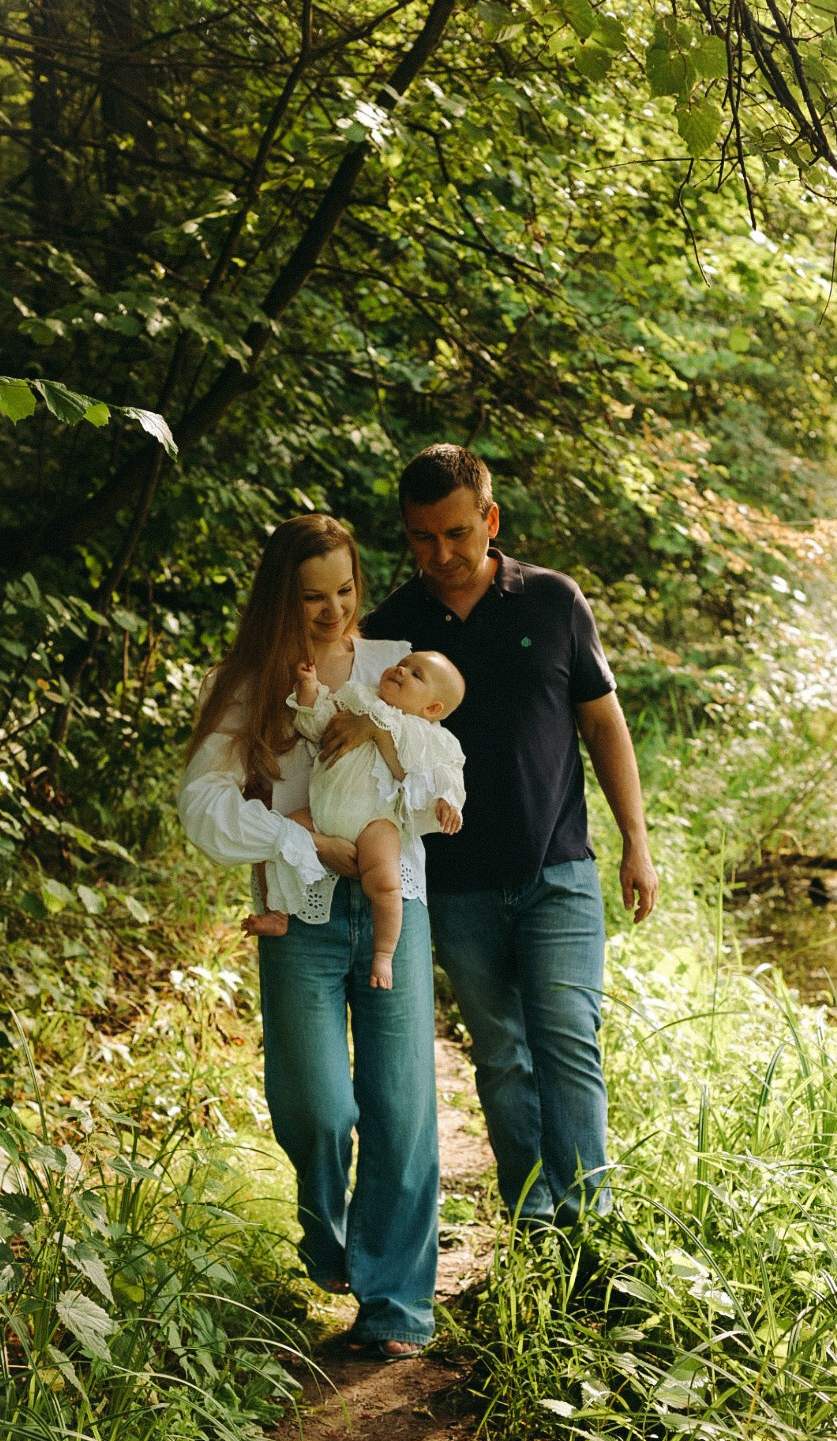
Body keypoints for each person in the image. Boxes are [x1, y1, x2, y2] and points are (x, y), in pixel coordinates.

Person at [325, 445, 659, 1227]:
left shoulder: (552, 600)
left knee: (568, 1041)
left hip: (559, 867)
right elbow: (346, 733)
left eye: (456, 533)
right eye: (421, 538)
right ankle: (534, 1225)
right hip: (456, 882)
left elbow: (602, 721)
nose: (440, 554)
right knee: (503, 1055)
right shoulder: (392, 629)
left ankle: (590, 1229)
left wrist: (635, 841)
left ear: (490, 519)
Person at [178, 513, 439, 1357]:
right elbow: (205, 809)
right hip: (302, 912)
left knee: (400, 1105)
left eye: (346, 592)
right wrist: (301, 841)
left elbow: (440, 768)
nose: (335, 615)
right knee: (317, 1106)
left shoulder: (393, 664)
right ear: (280, 598)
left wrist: (394, 755)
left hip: (394, 896)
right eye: (313, 598)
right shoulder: (248, 681)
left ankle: (395, 1306)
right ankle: (327, 1232)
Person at [245, 651, 466, 992]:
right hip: (320, 812)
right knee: (276, 839)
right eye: (403, 664)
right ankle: (277, 912)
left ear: (432, 709)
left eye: (416, 675)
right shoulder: (357, 698)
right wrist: (309, 690)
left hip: (374, 822)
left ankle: (383, 952)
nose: (401, 670)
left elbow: (440, 775)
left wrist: (448, 802)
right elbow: (318, 727)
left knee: (386, 883)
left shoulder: (428, 737)